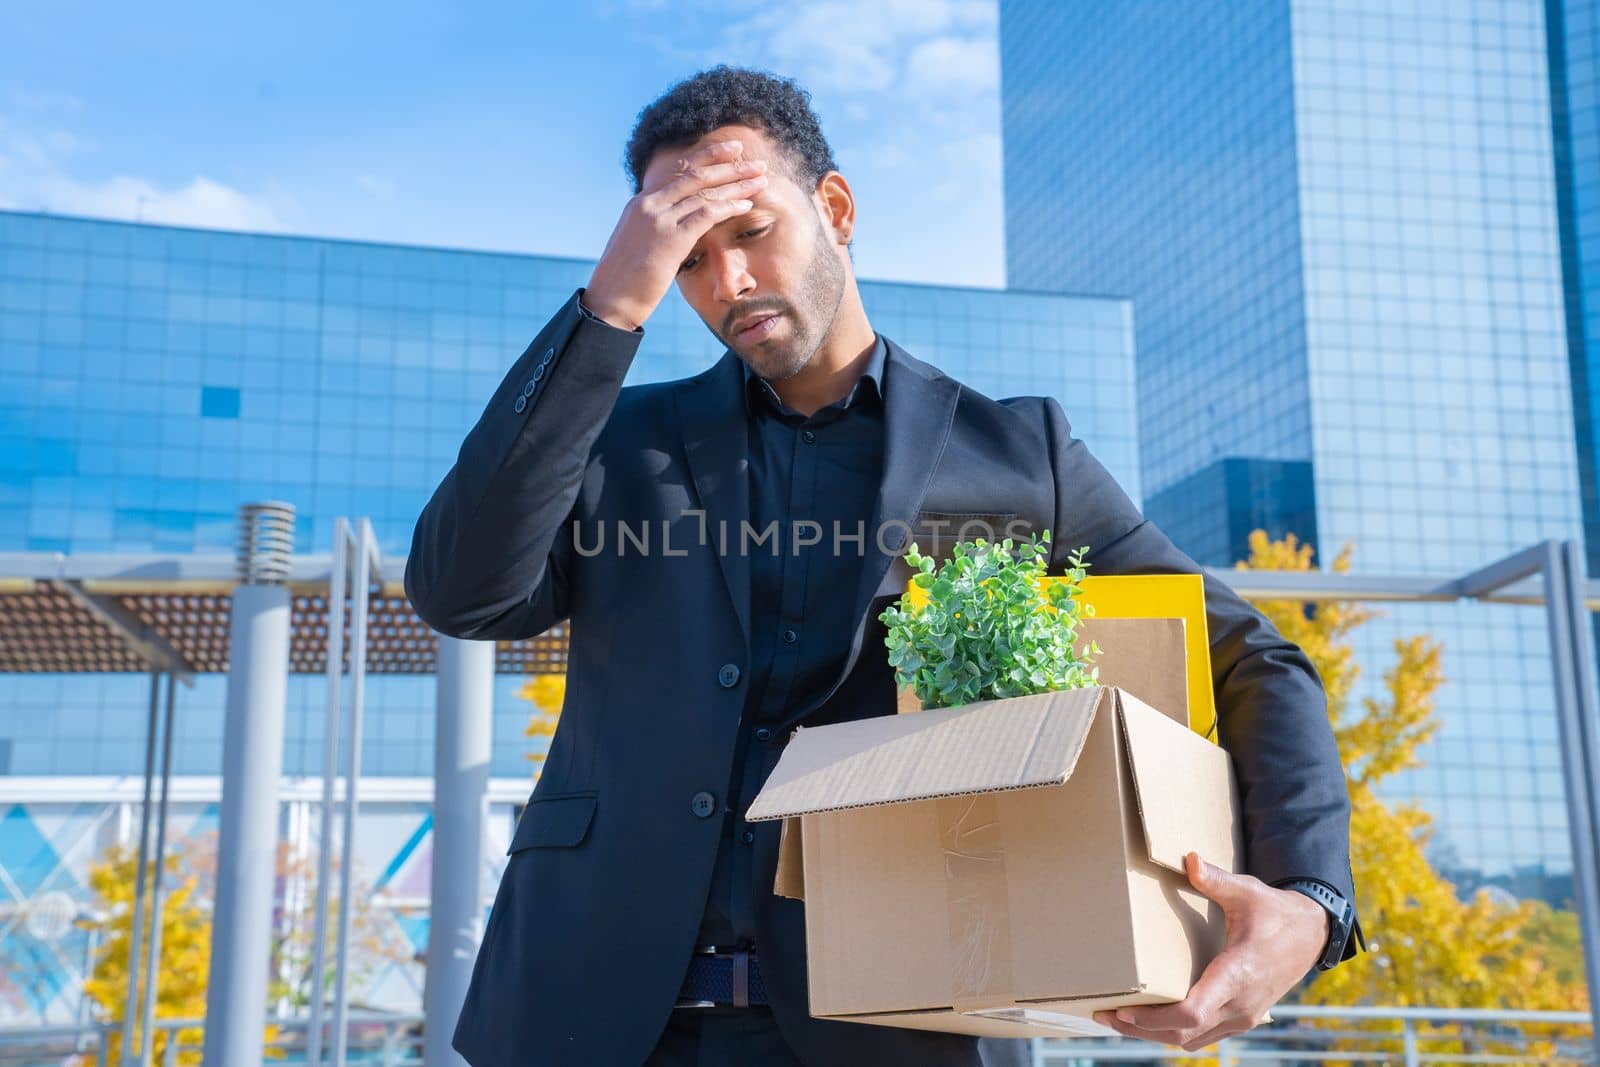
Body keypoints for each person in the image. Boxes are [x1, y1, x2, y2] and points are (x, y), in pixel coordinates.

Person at [405, 65, 1364, 1067]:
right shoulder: (611, 441)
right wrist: (609, 306)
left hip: (905, 1023)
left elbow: (1249, 656)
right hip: (586, 1020)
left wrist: (1308, 902)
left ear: (835, 206)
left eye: (747, 232)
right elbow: (462, 590)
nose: (724, 283)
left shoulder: (1016, 454)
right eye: (685, 258)